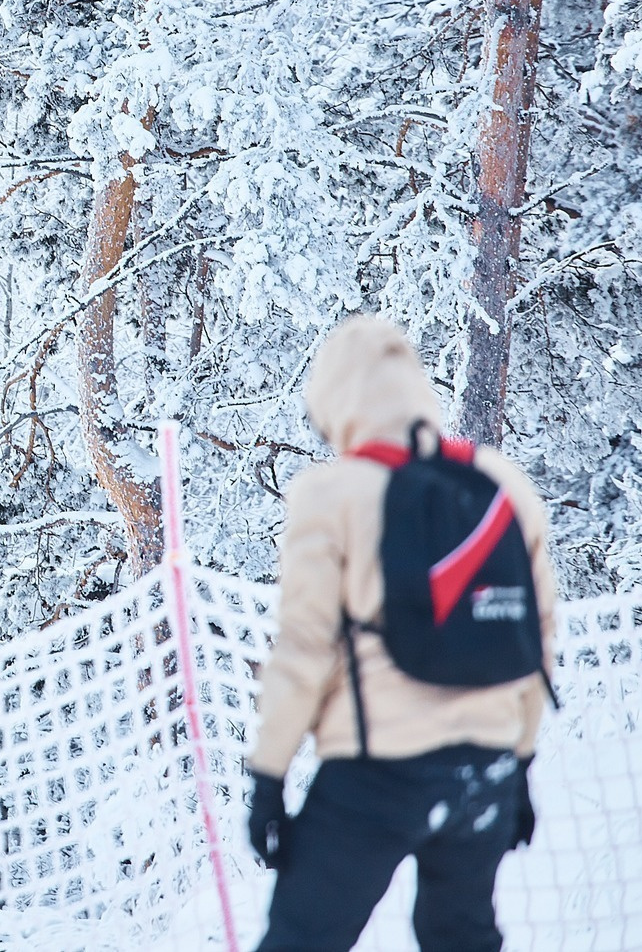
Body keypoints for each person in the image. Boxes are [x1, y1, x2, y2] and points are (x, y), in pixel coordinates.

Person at [246, 315, 556, 952]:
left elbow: (306, 649)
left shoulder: (331, 495)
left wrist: (269, 778)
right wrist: (519, 762)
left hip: (375, 776)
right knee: (461, 938)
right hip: (486, 769)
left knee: (301, 939)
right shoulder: (502, 486)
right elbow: (536, 641)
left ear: (337, 405)